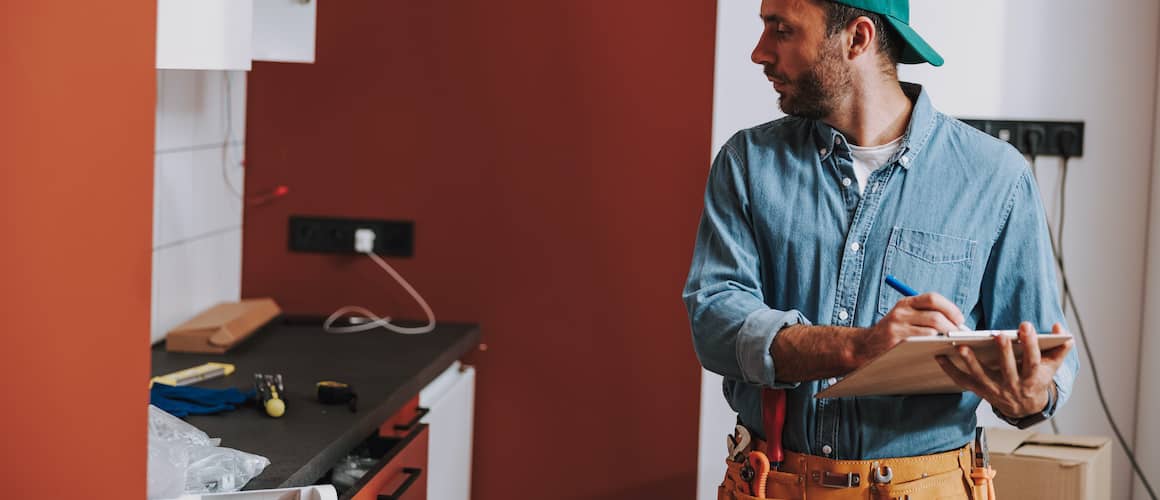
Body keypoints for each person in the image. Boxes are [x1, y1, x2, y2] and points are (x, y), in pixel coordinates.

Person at [682, 0, 1079, 498]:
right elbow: (714, 320)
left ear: (857, 38)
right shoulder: (748, 162)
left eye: (781, 30)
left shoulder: (996, 177)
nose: (759, 53)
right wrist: (859, 347)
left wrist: (1028, 395)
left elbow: (1043, 353)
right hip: (769, 484)